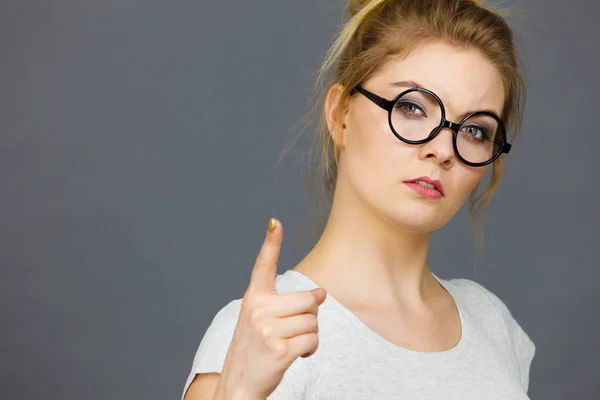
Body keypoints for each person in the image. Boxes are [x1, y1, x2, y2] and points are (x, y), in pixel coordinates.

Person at [183, 0, 535, 398]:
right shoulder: (261, 334)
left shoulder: (489, 320)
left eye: (475, 131)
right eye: (412, 107)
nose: (442, 150)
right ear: (340, 115)